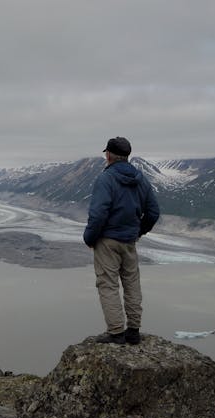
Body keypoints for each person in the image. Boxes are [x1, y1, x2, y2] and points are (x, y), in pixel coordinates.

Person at [84, 136, 160, 345]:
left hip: (107, 240)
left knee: (107, 284)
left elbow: (98, 214)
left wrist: (89, 238)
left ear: (108, 155)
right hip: (129, 240)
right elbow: (153, 211)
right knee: (132, 283)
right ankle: (133, 331)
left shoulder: (105, 179)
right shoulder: (140, 178)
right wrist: (138, 232)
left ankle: (116, 332)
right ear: (127, 156)